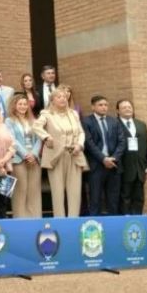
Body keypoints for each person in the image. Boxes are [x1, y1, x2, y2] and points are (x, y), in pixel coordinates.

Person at [32, 88, 87, 217]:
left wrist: (80, 145)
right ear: (52, 100)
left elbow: (81, 132)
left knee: (75, 191)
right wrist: (46, 137)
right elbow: (36, 126)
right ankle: (60, 220)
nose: (63, 99)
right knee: (58, 191)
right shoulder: (46, 114)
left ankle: (73, 219)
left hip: (74, 154)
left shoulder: (73, 114)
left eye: (64, 96)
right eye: (59, 97)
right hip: (56, 156)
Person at [82, 95, 126, 216]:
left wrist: (114, 158)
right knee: (95, 199)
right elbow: (88, 143)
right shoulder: (86, 121)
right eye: (100, 105)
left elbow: (122, 142)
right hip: (96, 166)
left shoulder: (114, 121)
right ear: (93, 107)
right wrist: (103, 158)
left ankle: (113, 225)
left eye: (106, 105)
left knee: (113, 200)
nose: (104, 107)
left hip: (114, 166)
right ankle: (94, 225)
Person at [4, 94, 42, 218]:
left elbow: (39, 139)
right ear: (14, 106)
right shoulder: (9, 121)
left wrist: (34, 154)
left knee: (34, 191)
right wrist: (26, 154)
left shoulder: (34, 121)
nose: (23, 106)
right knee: (21, 191)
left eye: (25, 104)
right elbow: (12, 140)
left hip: (34, 159)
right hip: (18, 159)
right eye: (20, 104)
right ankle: (20, 220)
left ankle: (35, 219)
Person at [116, 99, 147, 214]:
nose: (127, 109)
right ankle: (125, 222)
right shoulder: (114, 124)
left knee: (139, 198)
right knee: (124, 199)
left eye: (129, 107)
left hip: (140, 169)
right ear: (118, 111)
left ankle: (137, 221)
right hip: (122, 169)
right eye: (124, 107)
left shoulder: (141, 125)